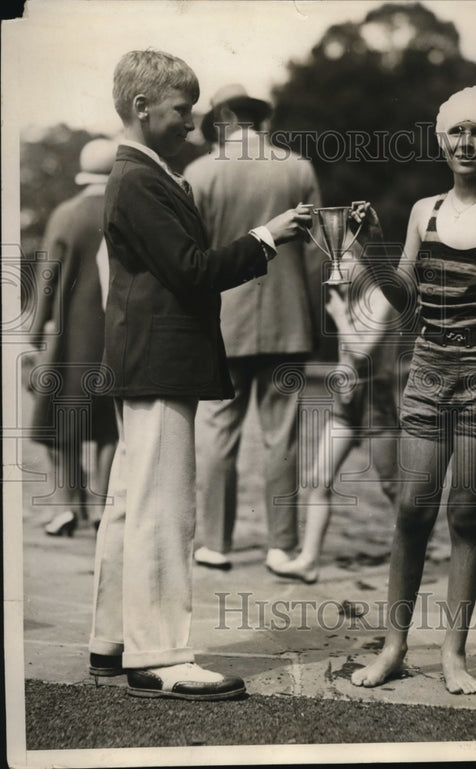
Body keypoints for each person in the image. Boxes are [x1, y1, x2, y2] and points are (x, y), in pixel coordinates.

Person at [88, 50, 312, 700]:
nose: (192, 125)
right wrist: (266, 236)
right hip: (160, 364)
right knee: (163, 511)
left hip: (146, 361)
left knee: (129, 505)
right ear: (143, 107)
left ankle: (111, 641)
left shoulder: (144, 172)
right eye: (183, 111)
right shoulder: (139, 178)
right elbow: (191, 269)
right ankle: (159, 655)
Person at [349, 86, 476, 694]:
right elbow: (402, 296)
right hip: (429, 369)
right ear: (442, 140)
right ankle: (394, 646)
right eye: (457, 132)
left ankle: (454, 654)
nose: (467, 143)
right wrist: (366, 249)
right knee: (412, 510)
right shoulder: (423, 210)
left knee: (466, 512)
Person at [184, 84, 323, 572]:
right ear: (259, 119)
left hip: (222, 321)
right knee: (281, 436)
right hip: (289, 321)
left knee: (218, 432)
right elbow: (314, 254)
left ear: (221, 120)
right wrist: (311, 316)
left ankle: (216, 544)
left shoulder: (200, 174)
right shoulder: (298, 168)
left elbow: (192, 258)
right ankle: (282, 546)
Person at [269, 253, 404, 584]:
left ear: (365, 261)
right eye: (334, 262)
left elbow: (364, 351)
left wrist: (341, 317)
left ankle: (412, 555)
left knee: (392, 486)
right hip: (347, 403)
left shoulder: (381, 297)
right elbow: (349, 358)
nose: (337, 270)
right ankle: (309, 561)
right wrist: (343, 371)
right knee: (317, 479)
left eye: (346, 261)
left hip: (376, 402)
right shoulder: (348, 296)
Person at [26, 138, 119, 537]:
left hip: (70, 338)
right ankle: (101, 506)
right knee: (110, 426)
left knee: (59, 420)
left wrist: (36, 330)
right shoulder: (127, 212)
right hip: (117, 335)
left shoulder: (67, 214)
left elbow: (48, 278)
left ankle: (66, 507)